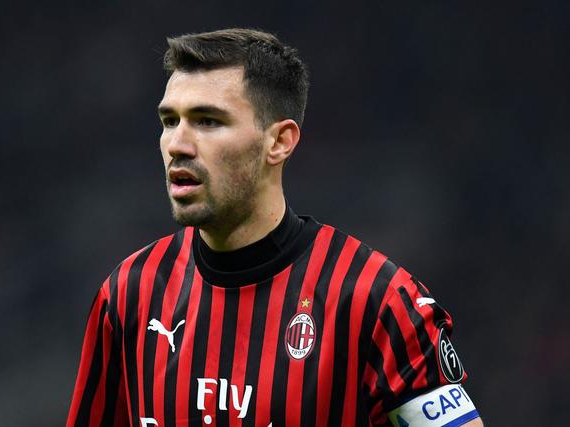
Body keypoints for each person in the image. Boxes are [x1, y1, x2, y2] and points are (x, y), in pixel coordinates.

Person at [66, 28, 483, 427]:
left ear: (279, 141)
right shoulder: (128, 295)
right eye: (170, 121)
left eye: (208, 121)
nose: (177, 144)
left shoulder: (375, 299)